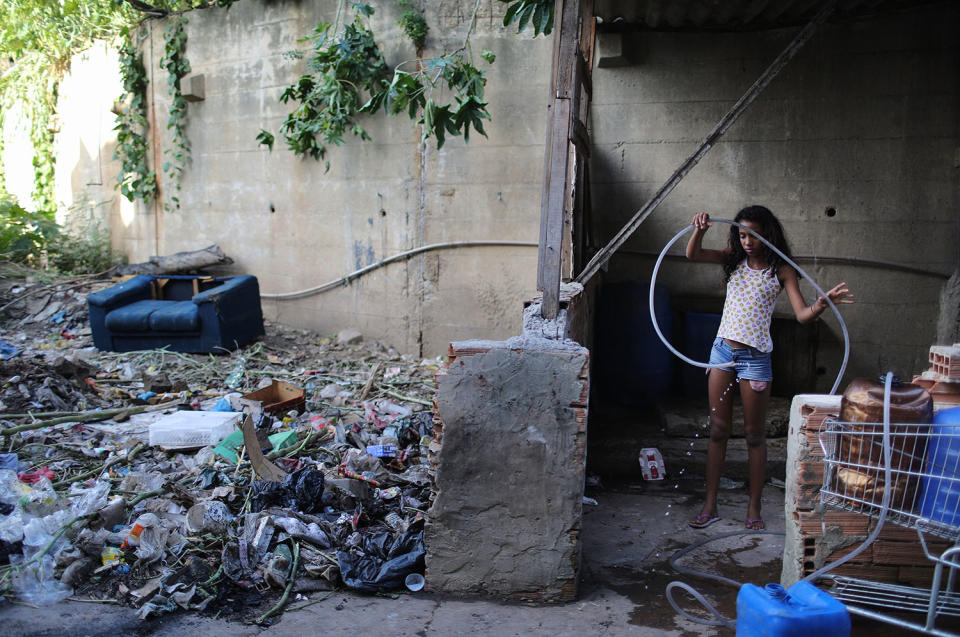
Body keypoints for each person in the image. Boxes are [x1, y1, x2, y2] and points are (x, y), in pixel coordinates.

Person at [684, 206, 853, 530]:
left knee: (754, 436)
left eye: (753, 235)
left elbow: (802, 315)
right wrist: (699, 230)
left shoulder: (781, 269)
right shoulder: (733, 257)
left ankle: (754, 508)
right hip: (722, 352)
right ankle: (710, 504)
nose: (747, 241)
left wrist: (821, 304)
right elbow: (693, 255)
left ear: (768, 234)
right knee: (718, 430)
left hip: (756, 358)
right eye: (742, 234)